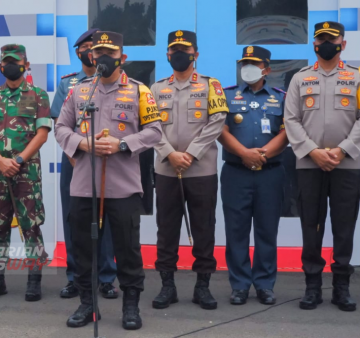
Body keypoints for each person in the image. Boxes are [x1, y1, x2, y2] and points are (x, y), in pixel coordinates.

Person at [55, 31, 162, 330]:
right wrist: (83, 143)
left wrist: (122, 144)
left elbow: (155, 131)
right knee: (84, 248)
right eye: (97, 52)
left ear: (122, 58)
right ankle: (87, 305)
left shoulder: (140, 91)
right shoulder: (79, 91)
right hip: (84, 184)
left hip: (123, 187)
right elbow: (61, 128)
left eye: (109, 53)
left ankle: (130, 306)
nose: (101, 58)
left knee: (127, 249)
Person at [151, 30, 227, 311]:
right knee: (166, 229)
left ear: (196, 54)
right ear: (168, 54)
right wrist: (170, 153)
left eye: (185, 49)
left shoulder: (212, 86)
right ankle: (167, 286)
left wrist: (190, 153)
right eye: (174, 50)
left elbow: (217, 122)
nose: (179, 54)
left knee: (204, 228)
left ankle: (202, 287)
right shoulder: (156, 88)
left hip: (201, 171)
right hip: (166, 170)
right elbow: (150, 127)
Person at [285, 21, 359, 312]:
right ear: (314, 45)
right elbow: (291, 120)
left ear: (342, 43)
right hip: (309, 165)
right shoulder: (300, 79)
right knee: (310, 226)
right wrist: (312, 152)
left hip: (348, 165)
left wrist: (342, 151)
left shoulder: (356, 77)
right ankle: (312, 287)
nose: (326, 44)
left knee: (344, 227)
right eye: (321, 40)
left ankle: (341, 288)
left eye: (332, 39)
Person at [0, 44, 51, 302]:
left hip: (26, 172)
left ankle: (34, 281)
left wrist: (17, 160)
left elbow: (42, 135)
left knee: (31, 225)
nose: (11, 65)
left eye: (16, 61)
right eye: (7, 62)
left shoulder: (39, 95)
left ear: (26, 64)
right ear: (0, 67)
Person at [51, 28, 118, 299]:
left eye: (96, 48)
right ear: (79, 52)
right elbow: (59, 124)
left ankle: (106, 278)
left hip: (105, 162)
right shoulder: (68, 84)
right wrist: (74, 155)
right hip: (74, 161)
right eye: (86, 47)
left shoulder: (116, 82)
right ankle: (75, 277)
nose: (91, 53)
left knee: (106, 220)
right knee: (74, 220)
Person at [219, 46, 288, 306]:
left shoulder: (280, 97)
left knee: (266, 230)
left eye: (253, 63)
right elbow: (220, 130)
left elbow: (288, 131)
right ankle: (239, 285)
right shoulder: (227, 96)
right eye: (244, 63)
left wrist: (263, 155)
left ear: (266, 69)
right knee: (236, 231)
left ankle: (264, 285)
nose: (247, 67)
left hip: (270, 173)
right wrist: (245, 154)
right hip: (236, 173)